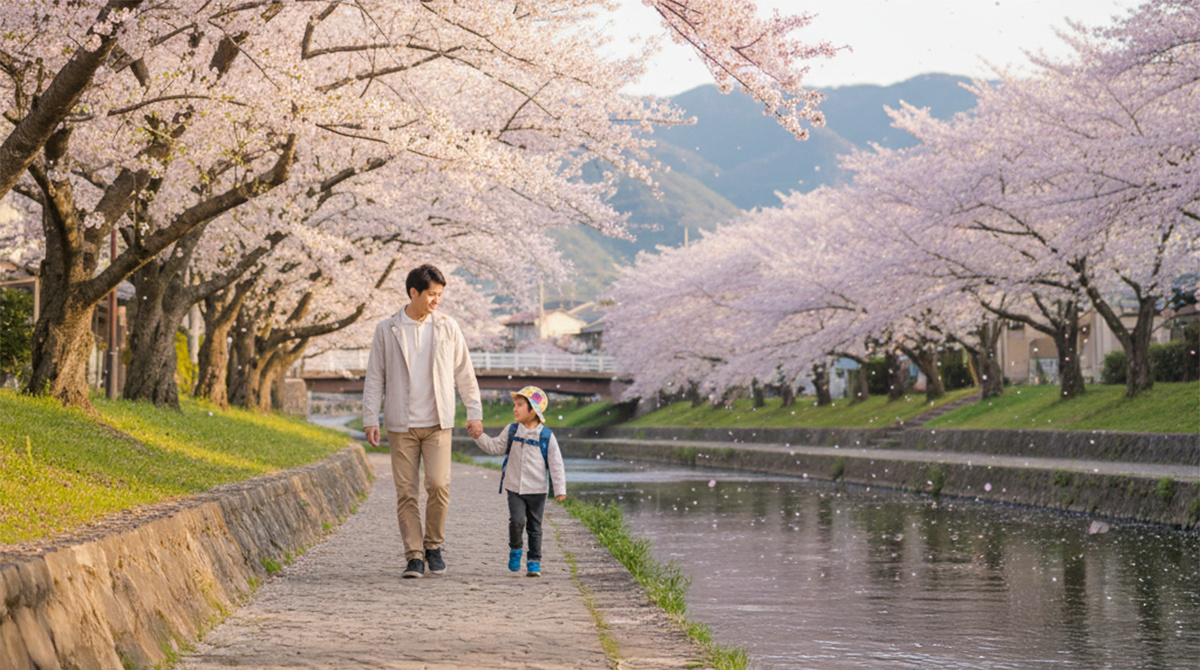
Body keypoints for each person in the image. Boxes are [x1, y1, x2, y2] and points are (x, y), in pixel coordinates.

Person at [362, 264, 484, 579]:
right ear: (414, 292)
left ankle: (434, 546)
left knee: (439, 485)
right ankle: (414, 555)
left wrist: (474, 411)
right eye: (432, 294)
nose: (436, 301)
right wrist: (369, 417)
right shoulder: (386, 330)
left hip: (438, 422)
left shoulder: (447, 326)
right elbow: (375, 377)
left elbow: (464, 373)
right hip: (400, 425)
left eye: (440, 295)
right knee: (406, 491)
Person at [473, 386, 566, 577]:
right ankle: (515, 548)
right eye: (514, 405)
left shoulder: (546, 435)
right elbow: (495, 447)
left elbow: (556, 464)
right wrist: (478, 436)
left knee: (535, 527)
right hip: (514, 486)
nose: (515, 409)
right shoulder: (512, 430)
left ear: (533, 410)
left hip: (537, 490)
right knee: (517, 521)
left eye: (520, 405)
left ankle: (534, 561)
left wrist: (559, 489)